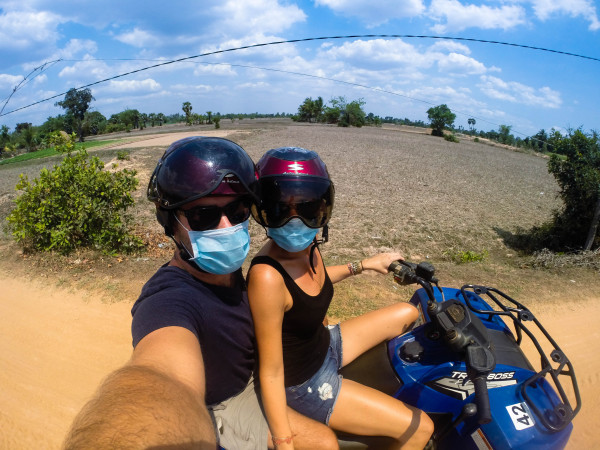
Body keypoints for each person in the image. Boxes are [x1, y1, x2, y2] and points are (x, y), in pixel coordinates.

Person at [63, 137, 337, 449]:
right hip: (227, 402)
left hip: (262, 375)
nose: (225, 226)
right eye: (203, 215)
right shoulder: (169, 299)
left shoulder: (225, 270)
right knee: (321, 443)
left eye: (237, 210)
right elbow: (160, 375)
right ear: (172, 222)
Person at [247, 146, 434, 449]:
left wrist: (363, 265)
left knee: (407, 312)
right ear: (262, 208)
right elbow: (269, 371)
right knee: (420, 428)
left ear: (322, 207)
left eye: (306, 207)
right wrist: (284, 441)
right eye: (282, 208)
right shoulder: (267, 277)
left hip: (326, 344)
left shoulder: (307, 245)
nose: (295, 221)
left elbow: (313, 282)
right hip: (305, 383)